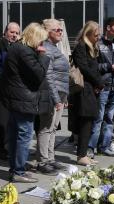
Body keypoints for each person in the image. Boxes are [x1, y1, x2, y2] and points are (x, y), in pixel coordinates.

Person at [4, 23, 50, 183]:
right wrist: (43, 56)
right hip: (24, 98)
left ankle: (16, 169)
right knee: (23, 135)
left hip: (17, 97)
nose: (42, 44)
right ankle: (19, 171)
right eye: (41, 41)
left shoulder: (18, 48)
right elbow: (38, 74)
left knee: (15, 134)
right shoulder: (24, 50)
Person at [36, 19, 70, 175]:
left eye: (61, 30)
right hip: (52, 94)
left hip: (60, 94)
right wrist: (56, 98)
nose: (60, 32)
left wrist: (64, 96)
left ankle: (50, 158)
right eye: (57, 30)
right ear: (48, 32)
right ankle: (43, 161)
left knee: (53, 128)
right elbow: (48, 75)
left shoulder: (54, 48)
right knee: (46, 128)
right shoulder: (47, 48)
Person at [88, 17, 114, 157]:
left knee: (109, 118)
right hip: (102, 85)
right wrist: (110, 67)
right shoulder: (97, 44)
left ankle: (105, 146)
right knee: (98, 118)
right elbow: (92, 66)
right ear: (108, 28)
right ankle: (90, 147)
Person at [70, 21, 105, 166]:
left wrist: (97, 84)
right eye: (96, 35)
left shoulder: (92, 47)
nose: (98, 38)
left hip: (91, 89)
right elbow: (84, 68)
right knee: (85, 122)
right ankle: (81, 155)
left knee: (89, 122)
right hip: (84, 90)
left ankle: (83, 153)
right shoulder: (81, 46)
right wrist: (99, 82)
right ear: (88, 33)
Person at [0, 22, 20, 160]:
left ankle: (9, 148)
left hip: (14, 92)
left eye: (16, 33)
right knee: (0, 121)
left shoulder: (19, 48)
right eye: (12, 32)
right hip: (1, 90)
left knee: (11, 122)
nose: (14, 35)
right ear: (5, 32)